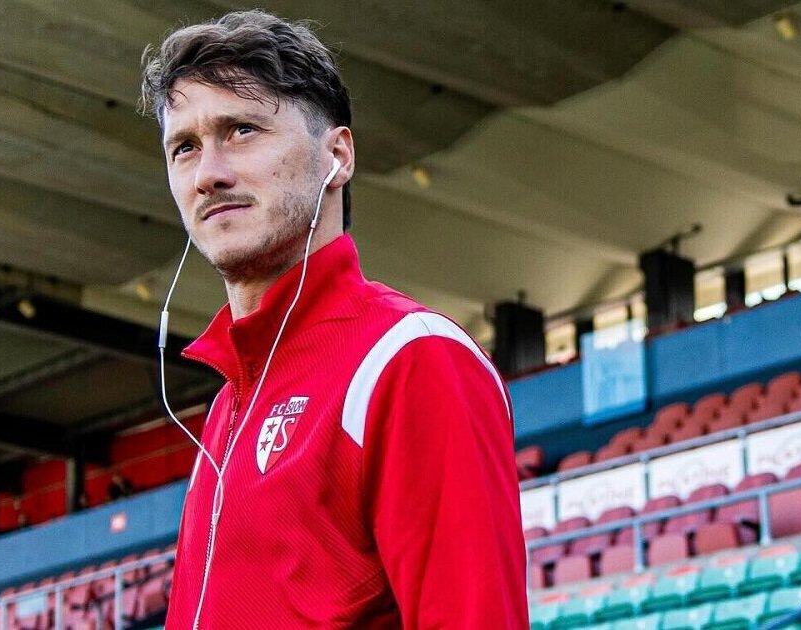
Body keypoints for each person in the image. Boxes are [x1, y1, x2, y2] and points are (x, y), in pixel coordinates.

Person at [140, 10, 528, 629]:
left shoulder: (412, 358)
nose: (209, 174)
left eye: (242, 130)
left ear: (338, 156)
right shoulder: (226, 411)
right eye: (184, 147)